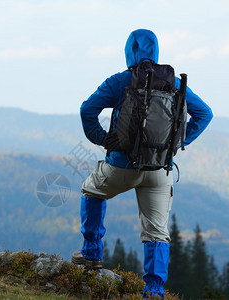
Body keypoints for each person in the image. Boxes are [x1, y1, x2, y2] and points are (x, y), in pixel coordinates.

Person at [71, 29, 213, 298]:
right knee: (157, 231)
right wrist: (177, 144)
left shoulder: (121, 81)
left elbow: (86, 109)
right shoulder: (174, 83)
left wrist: (105, 140)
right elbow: (205, 114)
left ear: (129, 52)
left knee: (91, 190)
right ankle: (154, 291)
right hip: (160, 169)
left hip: (122, 166)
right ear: (156, 51)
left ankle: (91, 254)